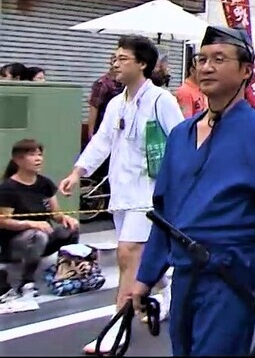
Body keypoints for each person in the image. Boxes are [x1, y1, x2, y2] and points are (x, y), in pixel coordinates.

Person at [130, 25, 255, 356]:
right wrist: (144, 278)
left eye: (218, 59)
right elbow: (164, 214)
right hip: (184, 272)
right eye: (201, 59)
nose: (206, 67)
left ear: (246, 70)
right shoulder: (180, 135)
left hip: (232, 269)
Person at [58, 35, 185, 354]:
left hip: (151, 194)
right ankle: (165, 286)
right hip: (122, 193)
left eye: (122, 58)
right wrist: (78, 172)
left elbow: (182, 142)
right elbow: (101, 142)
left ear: (142, 64)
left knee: (128, 255)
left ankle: (117, 327)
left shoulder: (161, 101)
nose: (114, 63)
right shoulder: (116, 104)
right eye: (113, 58)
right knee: (138, 259)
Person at [0, 139, 80, 301]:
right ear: (18, 160)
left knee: (70, 229)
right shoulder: (8, 188)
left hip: (42, 239)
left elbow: (55, 214)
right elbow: (3, 221)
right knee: (37, 235)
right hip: (15, 244)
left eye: (40, 154)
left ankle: (66, 272)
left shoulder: (44, 183)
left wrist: (66, 218)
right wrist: (31, 224)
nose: (38, 158)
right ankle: (26, 282)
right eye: (32, 155)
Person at [175, 52, 207, 118]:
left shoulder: (203, 89)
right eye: (201, 69)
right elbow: (187, 120)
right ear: (192, 71)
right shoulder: (185, 91)